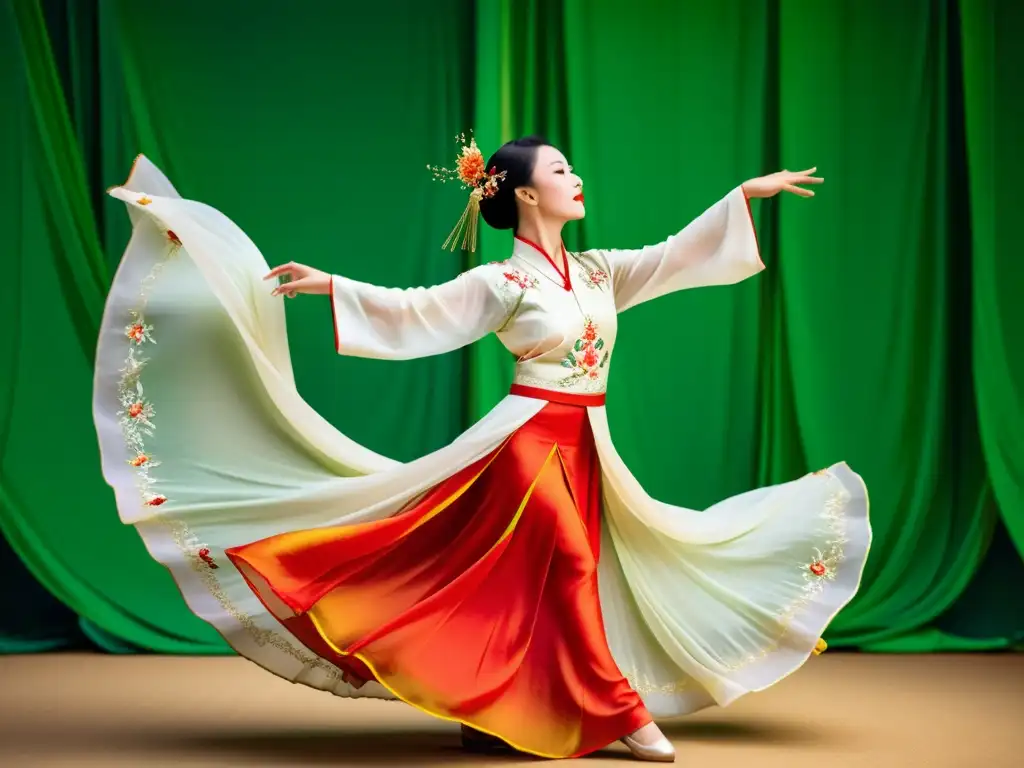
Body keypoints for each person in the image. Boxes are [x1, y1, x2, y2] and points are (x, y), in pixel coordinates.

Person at [94, 135, 870, 763]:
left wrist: (743, 198)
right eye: (562, 171)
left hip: (586, 443)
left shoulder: (599, 272)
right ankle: (622, 715)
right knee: (566, 570)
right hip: (528, 442)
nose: (577, 178)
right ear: (526, 193)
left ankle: (488, 704)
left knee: (531, 585)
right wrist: (333, 284)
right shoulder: (504, 283)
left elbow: (675, 254)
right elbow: (417, 311)